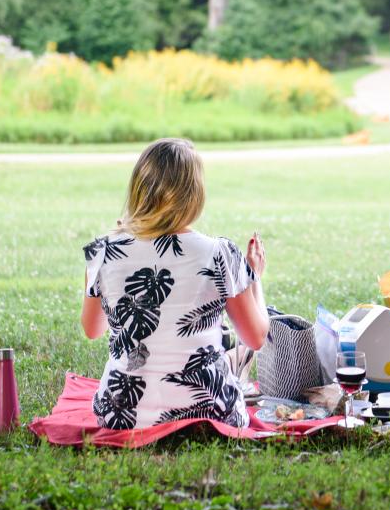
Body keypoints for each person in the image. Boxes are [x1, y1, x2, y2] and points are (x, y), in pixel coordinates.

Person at [79, 138, 269, 429]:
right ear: (194, 194)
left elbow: (93, 329)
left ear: (139, 189)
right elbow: (255, 337)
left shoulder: (105, 252)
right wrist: (254, 277)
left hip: (122, 415)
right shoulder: (220, 254)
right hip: (209, 411)